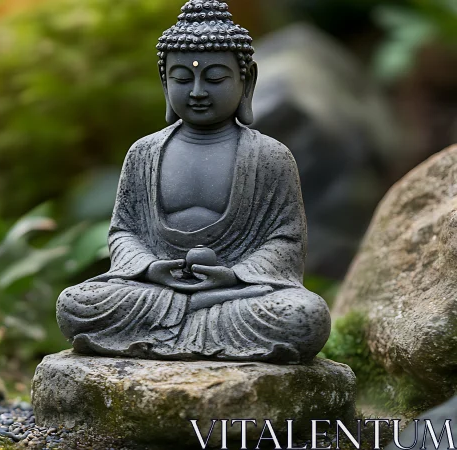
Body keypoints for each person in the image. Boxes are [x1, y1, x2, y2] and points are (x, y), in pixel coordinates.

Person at [56, 0, 331, 365]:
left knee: (304, 316)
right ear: (164, 81)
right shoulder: (144, 153)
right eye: (183, 79)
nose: (198, 91)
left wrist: (233, 276)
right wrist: (150, 269)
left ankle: (177, 327)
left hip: (235, 296)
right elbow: (124, 232)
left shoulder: (270, 156)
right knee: (76, 305)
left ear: (246, 80)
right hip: (156, 290)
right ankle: (194, 320)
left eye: (215, 79)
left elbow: (285, 240)